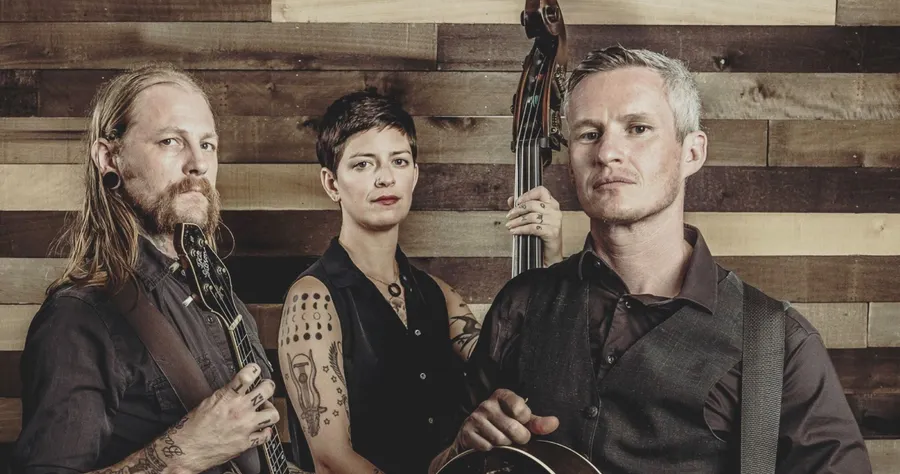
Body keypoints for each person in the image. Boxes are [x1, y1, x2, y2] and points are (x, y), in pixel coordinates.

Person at [430, 46, 872, 473]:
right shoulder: (520, 305)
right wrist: (460, 449)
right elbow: (439, 464)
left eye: (638, 128)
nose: (607, 152)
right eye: (588, 134)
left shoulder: (778, 343)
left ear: (692, 152)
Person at [277, 90, 564, 474]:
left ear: (414, 175)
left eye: (398, 161)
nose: (385, 178)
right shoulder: (313, 298)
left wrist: (551, 258)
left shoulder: (439, 296)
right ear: (331, 183)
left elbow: (521, 374)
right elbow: (331, 460)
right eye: (363, 164)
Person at [14, 65, 283, 474]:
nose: (198, 164)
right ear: (110, 158)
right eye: (171, 141)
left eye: (207, 144)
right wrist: (187, 449)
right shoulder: (78, 318)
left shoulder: (221, 303)